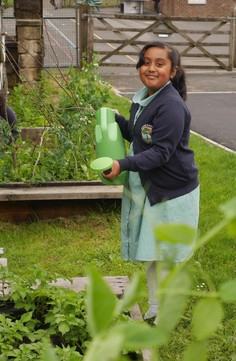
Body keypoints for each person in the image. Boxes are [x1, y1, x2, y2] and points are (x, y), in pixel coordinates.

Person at [102, 41, 200, 324]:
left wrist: (122, 164)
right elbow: (139, 136)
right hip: (155, 188)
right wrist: (116, 120)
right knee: (152, 255)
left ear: (173, 72)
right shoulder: (145, 97)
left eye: (160, 63)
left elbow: (160, 153)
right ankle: (157, 307)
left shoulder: (170, 106)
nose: (151, 68)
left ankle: (163, 312)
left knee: (164, 258)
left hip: (173, 192)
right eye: (146, 62)